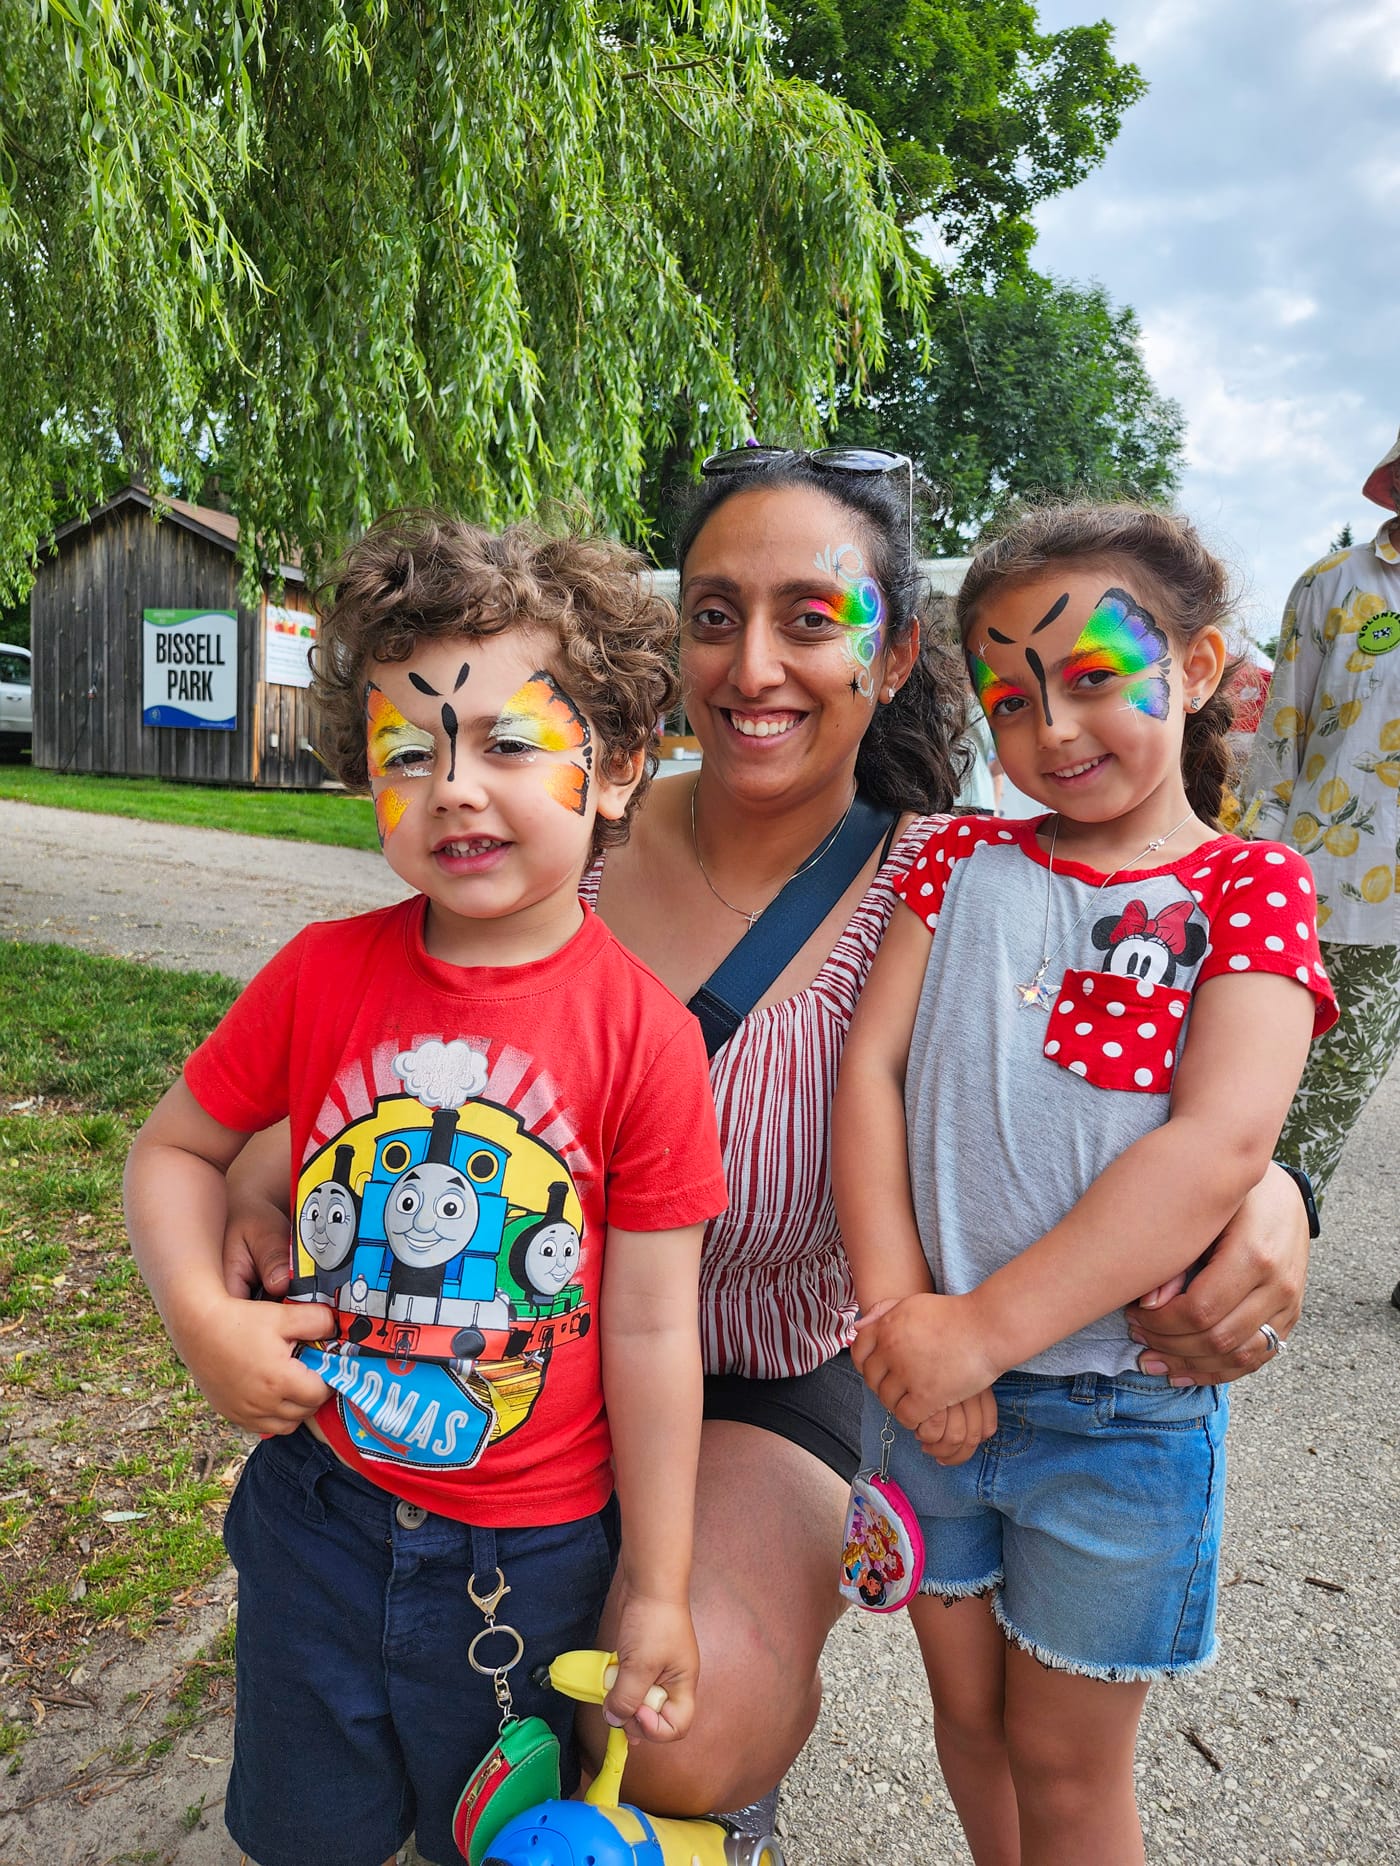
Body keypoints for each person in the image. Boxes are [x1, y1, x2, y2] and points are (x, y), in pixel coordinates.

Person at [224, 456, 1317, 1835]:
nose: (755, 664)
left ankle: (710, 1802)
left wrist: (1275, 1190)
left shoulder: (955, 881)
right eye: (715, 612)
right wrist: (256, 1180)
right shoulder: (565, 825)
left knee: (683, 1720)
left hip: (763, 1367)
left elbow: (1126, 1063)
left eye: (812, 617)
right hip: (511, 1342)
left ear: (896, 650)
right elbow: (371, 1054)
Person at [124, 514, 728, 1866]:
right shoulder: (318, 972)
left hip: (537, 1558)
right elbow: (171, 1153)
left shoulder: (646, 1039)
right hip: (318, 1515)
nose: (455, 786)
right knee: (304, 1832)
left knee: (496, 1841)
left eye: (509, 742)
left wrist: (659, 1579)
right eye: (411, 751)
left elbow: (649, 1327)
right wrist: (202, 1319)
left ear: (620, 766)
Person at [833, 502, 1336, 1865]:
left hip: (1119, 1416)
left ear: (1198, 665)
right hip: (924, 1391)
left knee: (1066, 1767)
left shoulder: (1254, 888)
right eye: (1010, 694)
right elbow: (868, 1078)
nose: (1052, 726)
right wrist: (904, 1328)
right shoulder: (948, 860)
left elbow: (1221, 1145)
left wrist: (974, 1336)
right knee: (970, 1719)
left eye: (1096, 675)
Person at [1239, 427, 1400, 1306]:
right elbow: (1282, 736)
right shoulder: (1335, 587)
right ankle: (1244, 1260)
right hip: (1341, 888)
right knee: (1309, 1102)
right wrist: (1258, 867)